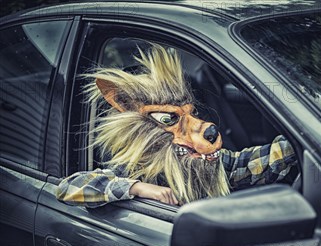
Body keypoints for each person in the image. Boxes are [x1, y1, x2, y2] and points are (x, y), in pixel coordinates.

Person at [56, 45, 297, 208]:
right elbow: (68, 188)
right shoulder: (132, 171)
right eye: (169, 119)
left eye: (190, 114)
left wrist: (302, 145)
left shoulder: (210, 165)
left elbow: (249, 163)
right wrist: (138, 188)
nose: (200, 127)